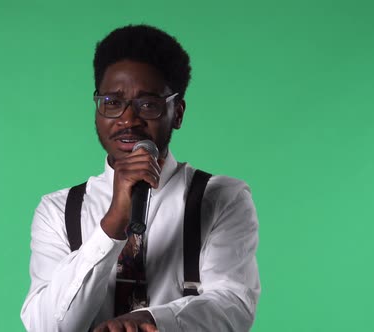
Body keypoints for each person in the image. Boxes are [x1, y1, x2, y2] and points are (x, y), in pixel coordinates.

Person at [20, 24, 260, 332]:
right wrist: (113, 224)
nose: (128, 119)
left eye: (148, 104)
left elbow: (233, 307)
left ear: (178, 113)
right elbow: (46, 327)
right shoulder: (57, 210)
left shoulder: (222, 197)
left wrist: (151, 320)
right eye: (113, 102)